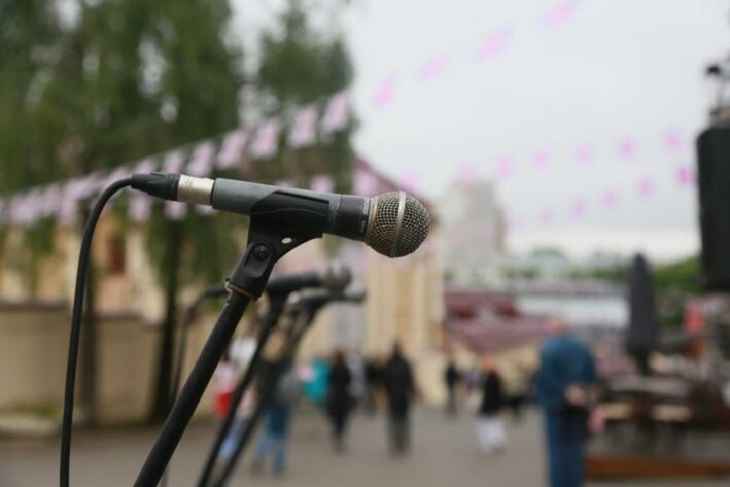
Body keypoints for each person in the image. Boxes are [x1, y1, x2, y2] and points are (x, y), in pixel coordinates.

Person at [536, 319, 597, 487]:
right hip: (580, 406)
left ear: (554, 329)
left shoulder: (547, 349)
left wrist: (564, 391)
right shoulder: (582, 348)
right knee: (575, 451)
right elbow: (592, 377)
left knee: (557, 452)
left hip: (555, 406)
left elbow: (545, 379)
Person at [382, 342, 416, 456]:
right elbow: (410, 380)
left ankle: (398, 442)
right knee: (399, 421)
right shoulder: (401, 362)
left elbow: (385, 381)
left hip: (397, 397)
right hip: (399, 397)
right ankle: (399, 443)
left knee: (397, 421)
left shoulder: (391, 362)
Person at [476, 356, 506, 454]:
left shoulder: (492, 378)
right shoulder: (491, 377)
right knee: (494, 424)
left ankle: (491, 444)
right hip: (490, 406)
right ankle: (496, 442)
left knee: (488, 425)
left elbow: (494, 394)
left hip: (489, 406)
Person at [326, 350, 354, 453]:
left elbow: (329, 382)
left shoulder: (332, 368)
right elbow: (349, 381)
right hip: (344, 397)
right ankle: (340, 438)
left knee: (336, 420)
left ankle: (337, 437)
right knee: (342, 420)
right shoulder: (346, 369)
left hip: (335, 397)